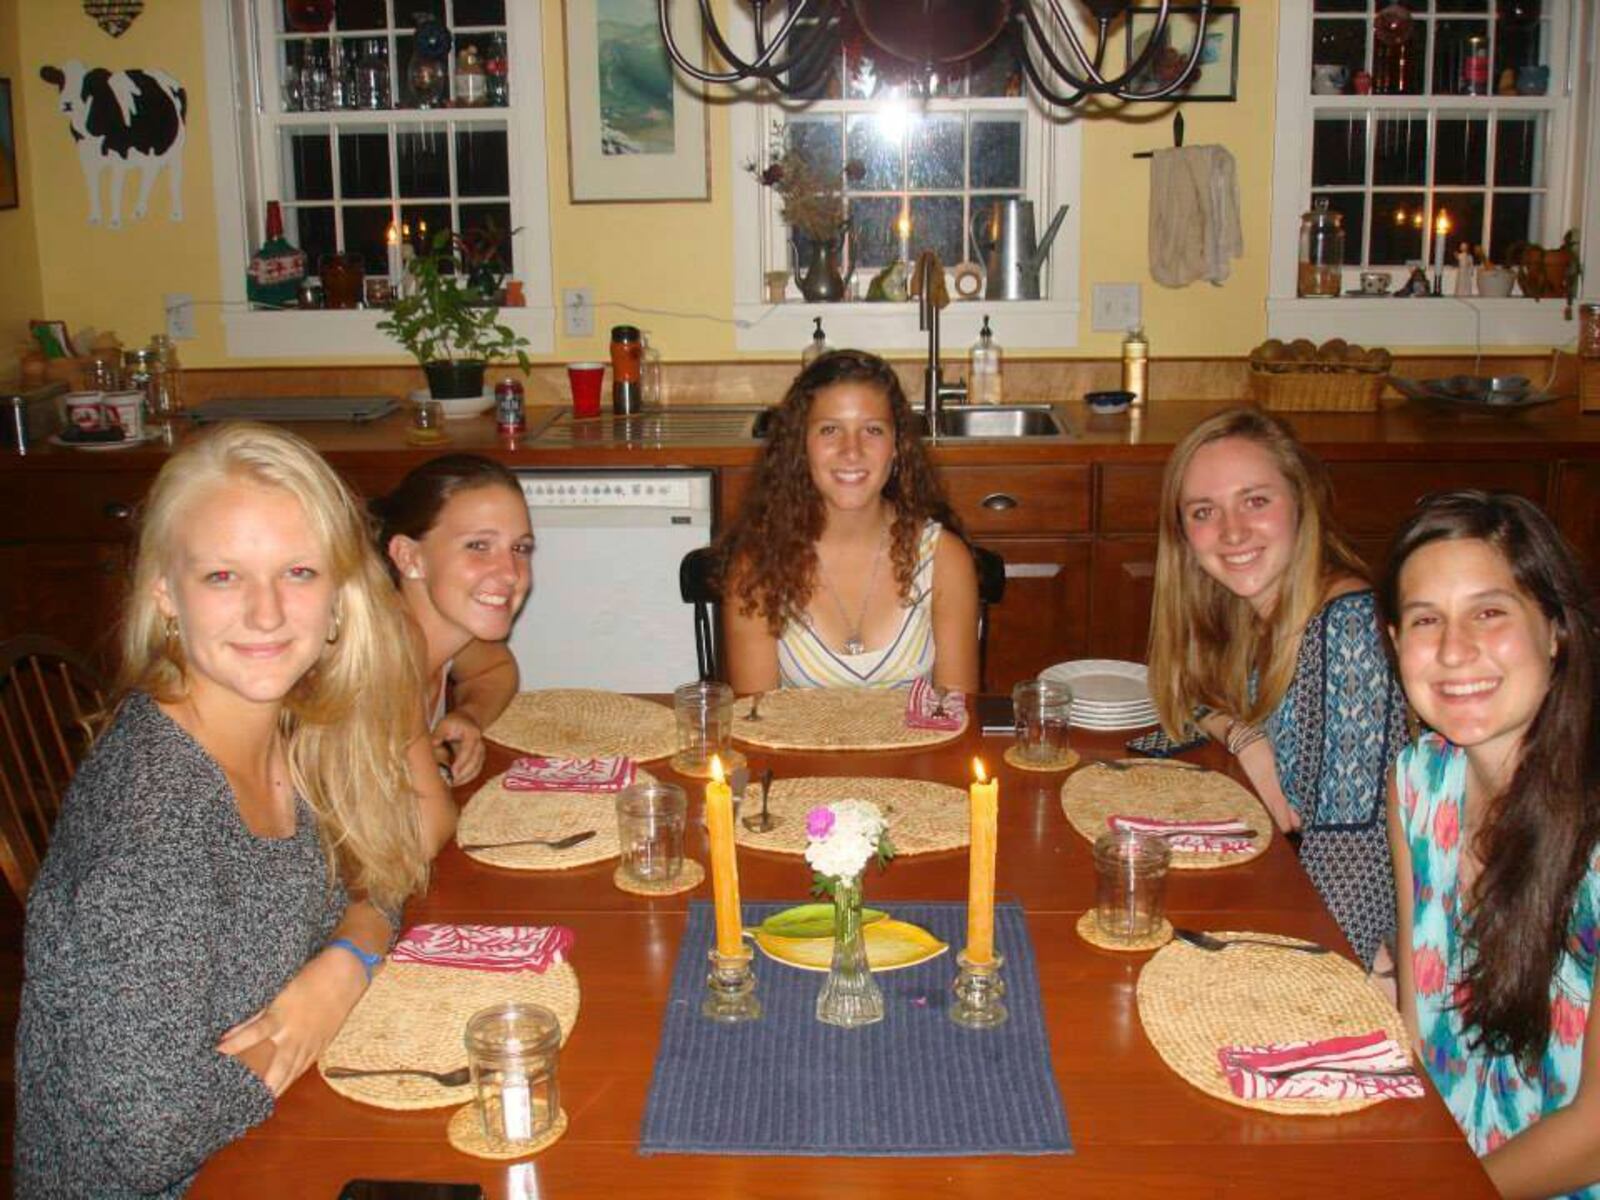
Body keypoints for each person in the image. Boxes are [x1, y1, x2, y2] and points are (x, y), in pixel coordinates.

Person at [15, 424, 450, 1198]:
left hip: (276, 1137)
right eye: (222, 575)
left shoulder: (294, 727)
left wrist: (346, 962)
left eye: (298, 572)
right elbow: (149, 1139)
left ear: (340, 600)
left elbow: (384, 874)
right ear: (165, 596)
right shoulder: (150, 827)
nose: (266, 613)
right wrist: (317, 1006)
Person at [1381, 491, 1600, 1198]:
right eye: (1425, 620)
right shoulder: (1417, 784)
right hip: (1442, 1158)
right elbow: (1416, 1035)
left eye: (1489, 612)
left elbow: (1595, 1134)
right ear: (1393, 641)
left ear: (1556, 628)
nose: (1452, 650)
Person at [1148, 407, 1405, 969]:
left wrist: (1330, 982)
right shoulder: (1249, 609)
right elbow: (1177, 696)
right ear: (1184, 534)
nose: (1233, 531)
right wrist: (1243, 737)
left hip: (1359, 945)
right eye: (1204, 511)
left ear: (1302, 500)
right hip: (1286, 889)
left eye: (1255, 500)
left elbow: (1351, 860)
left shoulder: (1347, 627)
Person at [717, 349, 978, 694]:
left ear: (897, 445)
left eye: (872, 430)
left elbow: (958, 718)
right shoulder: (758, 567)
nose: (851, 450)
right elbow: (757, 724)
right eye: (829, 430)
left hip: (922, 750)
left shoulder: (944, 559)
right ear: (801, 445)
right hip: (794, 748)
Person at [372, 454, 533, 784]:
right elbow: (428, 828)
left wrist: (469, 716)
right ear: (409, 557)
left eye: (520, 548)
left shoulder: (443, 636)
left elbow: (495, 669)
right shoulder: (376, 666)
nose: (510, 573)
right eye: (478, 545)